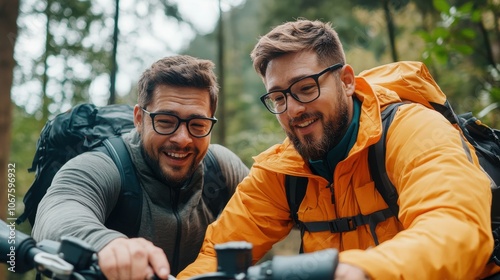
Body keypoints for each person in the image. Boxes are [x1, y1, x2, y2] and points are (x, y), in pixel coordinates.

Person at [177, 19, 496, 280]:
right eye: (278, 98)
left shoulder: (412, 130)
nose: (292, 110)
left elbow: (455, 227)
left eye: (306, 88)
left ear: (346, 81)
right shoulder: (282, 170)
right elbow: (215, 255)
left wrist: (364, 270)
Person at [31, 55, 249, 279]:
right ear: (138, 119)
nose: (183, 139)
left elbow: (271, 203)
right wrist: (109, 245)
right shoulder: (103, 165)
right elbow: (57, 212)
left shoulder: (220, 168)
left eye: (198, 125)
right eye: (165, 121)